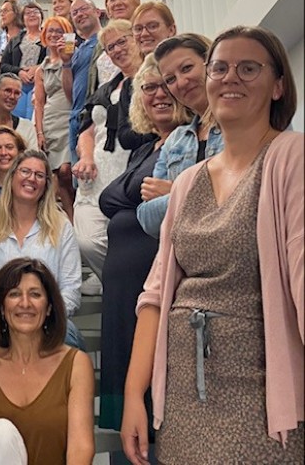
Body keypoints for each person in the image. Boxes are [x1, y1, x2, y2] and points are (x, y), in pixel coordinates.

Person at [121, 26, 304, 465]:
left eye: (249, 68)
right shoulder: (187, 182)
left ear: (278, 86)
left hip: (261, 392)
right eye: (219, 68)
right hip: (183, 393)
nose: (230, 78)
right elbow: (155, 295)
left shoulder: (291, 158)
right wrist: (132, 395)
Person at [98, 54, 190, 436]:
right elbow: (113, 197)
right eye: (149, 88)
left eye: (166, 85)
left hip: (150, 278)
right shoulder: (144, 149)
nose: (158, 94)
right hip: (122, 286)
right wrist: (129, 199)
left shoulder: (188, 146)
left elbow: (119, 199)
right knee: (124, 377)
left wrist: (169, 192)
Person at [0, 257, 95, 465]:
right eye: (14, 294)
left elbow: (81, 449)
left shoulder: (76, 364)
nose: (25, 303)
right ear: (2, 308)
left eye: (35, 294)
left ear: (49, 307)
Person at [0, 150, 85, 355]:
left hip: (48, 318)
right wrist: (1, 312)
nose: (32, 178)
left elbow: (71, 289)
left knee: (69, 337)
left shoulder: (62, 227)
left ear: (46, 185)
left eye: (39, 175)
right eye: (25, 171)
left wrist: (43, 313)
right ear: (12, 177)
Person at [72, 19, 143, 286]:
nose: (117, 50)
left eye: (122, 41)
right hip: (97, 171)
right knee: (87, 241)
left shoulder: (152, 82)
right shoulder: (106, 89)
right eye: (110, 47)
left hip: (131, 172)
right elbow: (86, 129)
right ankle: (115, 282)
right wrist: (86, 156)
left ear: (136, 39)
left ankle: (122, 287)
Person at [137, 33, 223, 238]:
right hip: (188, 256)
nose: (181, 82)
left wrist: (175, 190)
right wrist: (198, 197)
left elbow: (242, 196)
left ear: (211, 63)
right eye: (170, 79)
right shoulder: (176, 140)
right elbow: (147, 218)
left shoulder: (247, 122)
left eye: (187, 68)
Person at [116, 1, 177, 151]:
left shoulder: (184, 72)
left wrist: (148, 126)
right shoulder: (130, 84)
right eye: (138, 29)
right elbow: (125, 137)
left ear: (171, 29)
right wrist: (159, 129)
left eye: (152, 26)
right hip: (147, 154)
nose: (144, 34)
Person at [34, 15, 75, 220]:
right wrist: (39, 132)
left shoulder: (73, 58)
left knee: (68, 170)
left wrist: (68, 56)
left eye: (60, 31)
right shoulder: (41, 69)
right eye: (50, 31)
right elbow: (39, 103)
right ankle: (71, 220)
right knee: (58, 173)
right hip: (51, 122)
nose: (54, 35)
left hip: (71, 118)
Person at [60, 0, 102, 165]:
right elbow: (70, 95)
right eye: (75, 13)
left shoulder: (106, 41)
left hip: (95, 116)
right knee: (78, 175)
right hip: (76, 118)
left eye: (84, 9)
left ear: (97, 12)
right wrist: (66, 62)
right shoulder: (77, 50)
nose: (80, 14)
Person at [0, 1, 46, 119]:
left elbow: (55, 59)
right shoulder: (15, 40)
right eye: (28, 13)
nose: (32, 15)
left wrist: (38, 68)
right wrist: (19, 71)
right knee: (16, 120)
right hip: (18, 87)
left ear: (41, 16)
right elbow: (3, 65)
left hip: (40, 86)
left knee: (33, 119)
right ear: (22, 19)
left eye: (35, 12)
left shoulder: (49, 37)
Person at [0, 72, 38, 150]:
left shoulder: (27, 128)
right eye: (7, 91)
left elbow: (33, 157)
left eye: (17, 93)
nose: (12, 97)